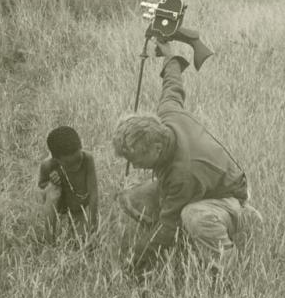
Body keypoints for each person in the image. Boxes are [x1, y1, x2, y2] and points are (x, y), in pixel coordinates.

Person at [112, 40, 262, 281]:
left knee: (193, 216)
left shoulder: (182, 173)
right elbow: (172, 85)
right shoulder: (168, 115)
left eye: (137, 158)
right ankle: (190, 233)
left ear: (157, 147)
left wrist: (134, 263)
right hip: (201, 184)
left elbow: (167, 228)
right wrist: (169, 54)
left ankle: (224, 273)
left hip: (228, 197)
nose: (136, 165)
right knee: (130, 197)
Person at [38, 126, 99, 245]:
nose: (76, 166)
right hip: (61, 205)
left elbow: (94, 194)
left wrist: (93, 227)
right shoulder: (48, 165)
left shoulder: (88, 159)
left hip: (78, 207)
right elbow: (41, 186)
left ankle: (77, 224)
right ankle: (50, 241)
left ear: (80, 148)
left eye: (78, 159)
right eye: (69, 164)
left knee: (82, 241)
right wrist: (51, 181)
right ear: (56, 159)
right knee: (52, 191)